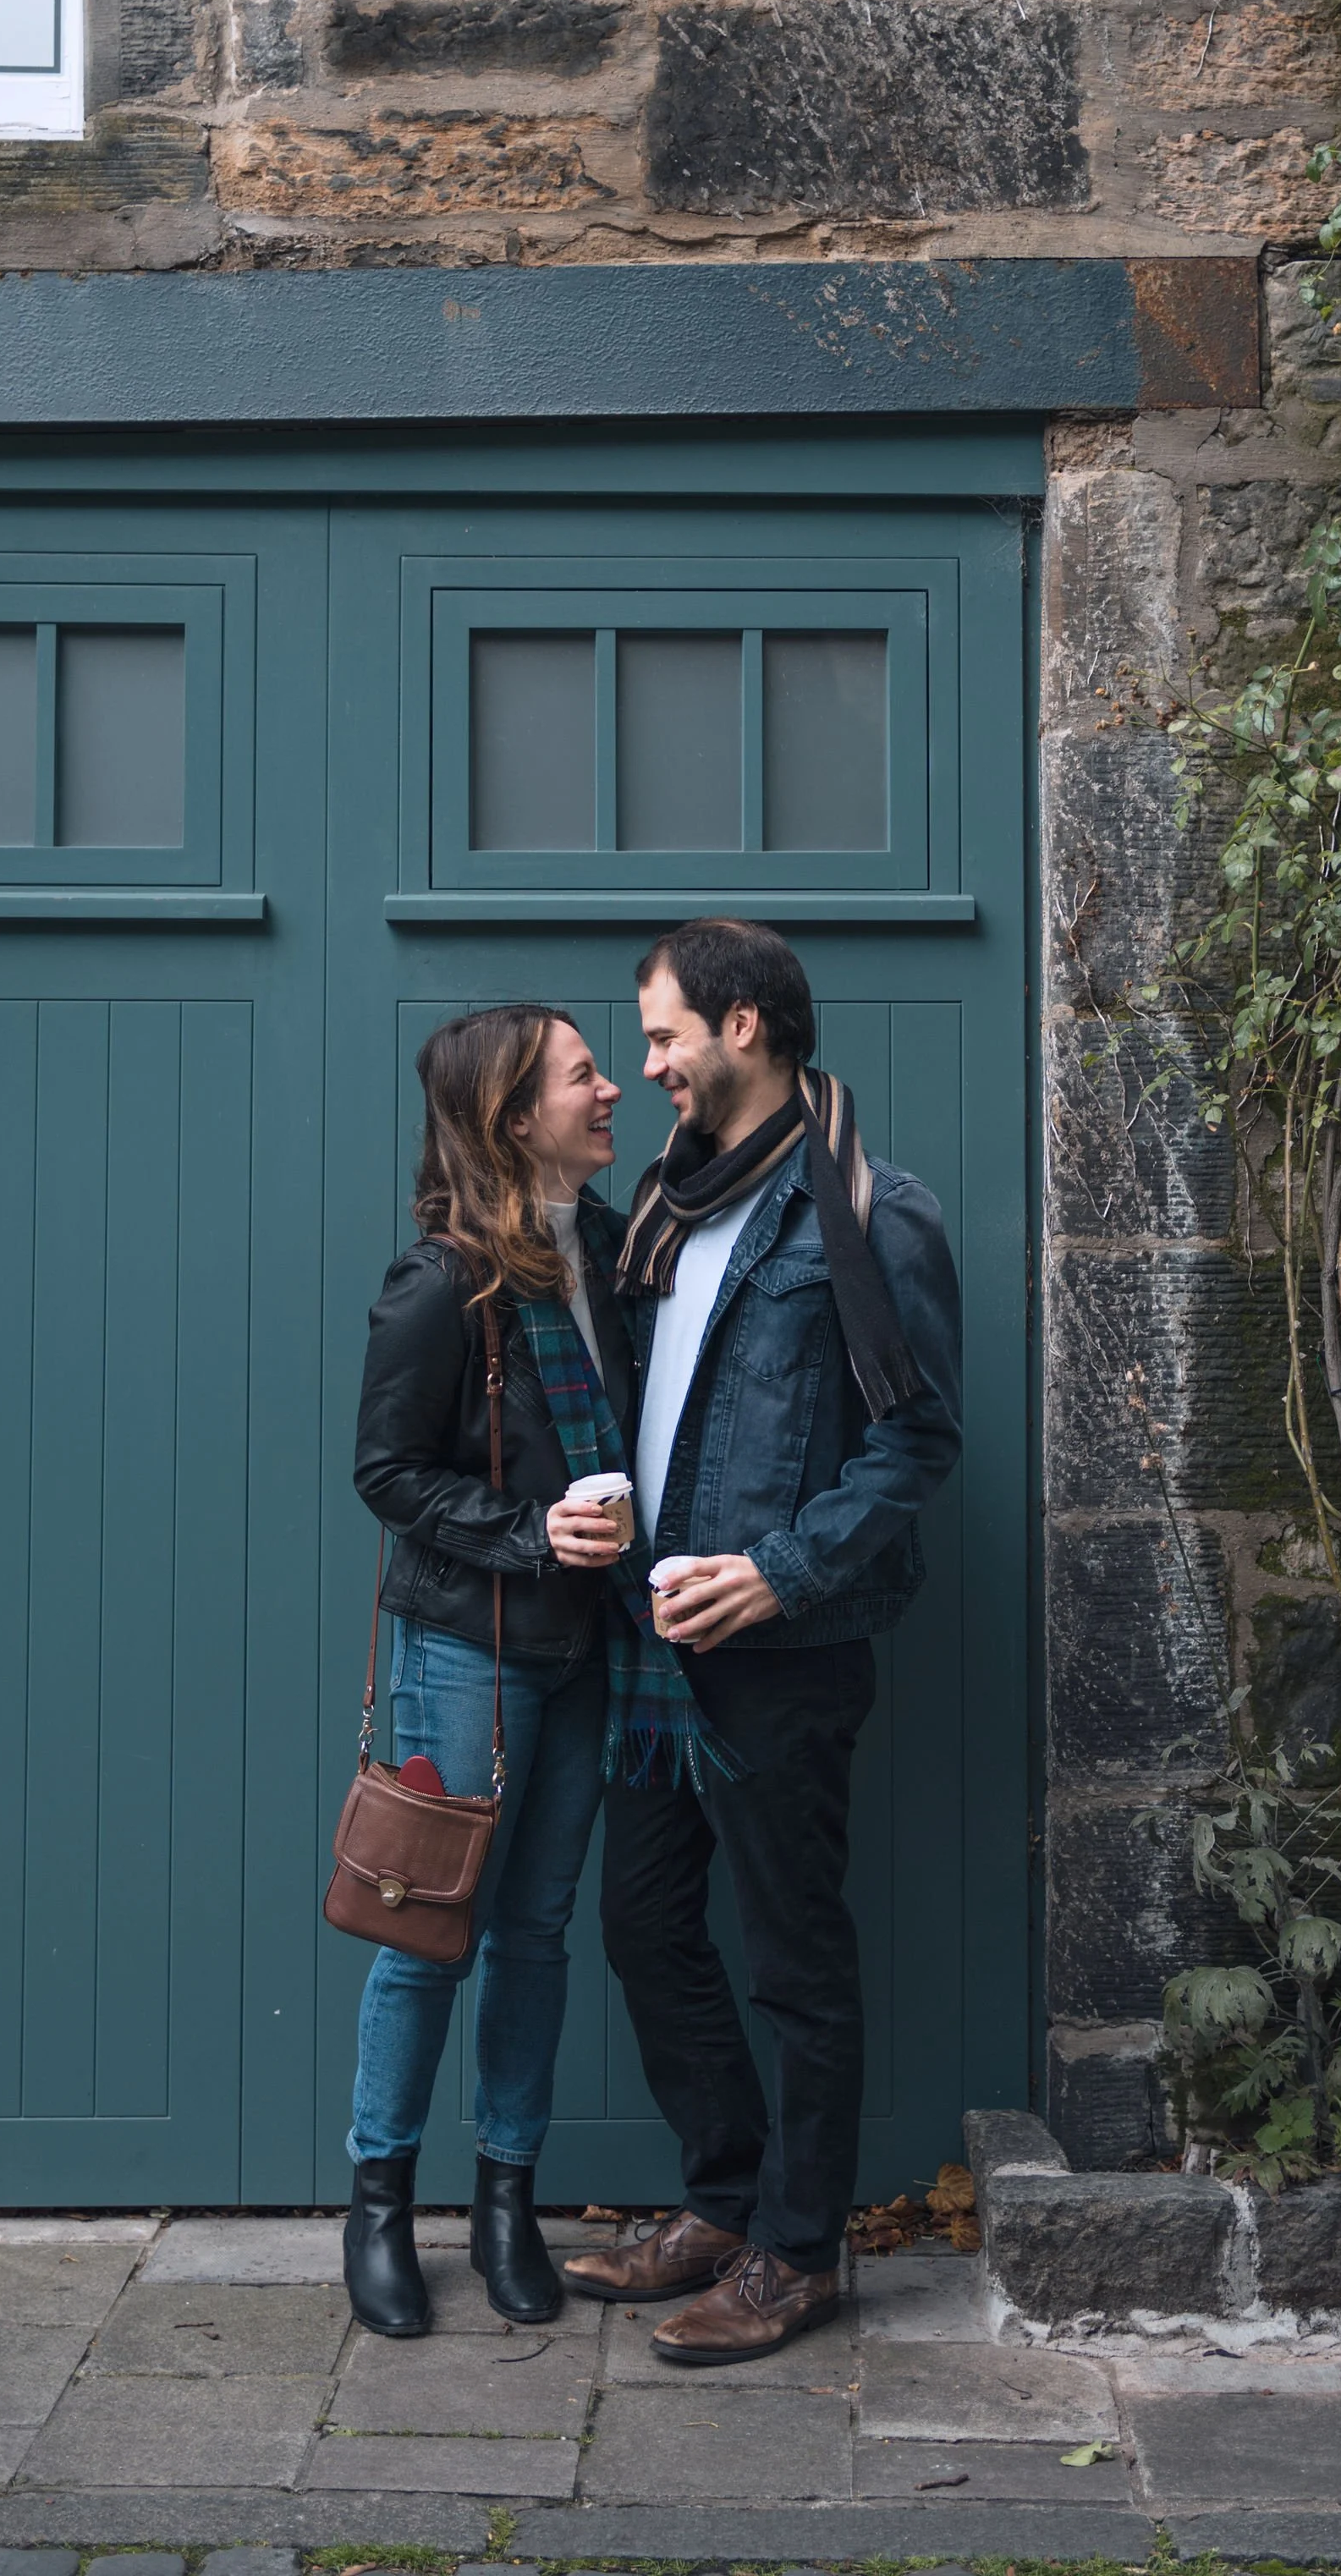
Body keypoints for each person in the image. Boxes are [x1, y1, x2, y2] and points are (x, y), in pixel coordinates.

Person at [562, 917, 963, 2362]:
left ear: (744, 1026)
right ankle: (724, 2201)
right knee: (645, 1924)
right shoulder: (666, 1203)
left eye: (664, 1035)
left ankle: (801, 2252)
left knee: (796, 1957)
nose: (648, 1065)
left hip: (780, 1655)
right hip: (652, 1645)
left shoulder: (868, 1211)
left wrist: (781, 1575)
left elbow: (917, 1441)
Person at [345, 1004, 633, 2337]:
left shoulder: (616, 1250)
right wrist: (533, 1532)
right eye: (586, 1075)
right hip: (473, 1646)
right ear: (518, 1118)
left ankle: (507, 2204)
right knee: (429, 1927)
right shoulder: (440, 1283)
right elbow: (386, 1473)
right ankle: (381, 2208)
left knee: (536, 1932)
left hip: (591, 1647)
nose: (613, 1088)